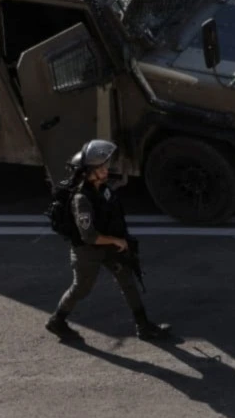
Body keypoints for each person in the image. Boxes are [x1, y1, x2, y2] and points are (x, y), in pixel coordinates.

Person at [45, 139, 171, 341]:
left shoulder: (102, 188)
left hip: (110, 246)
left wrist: (120, 239)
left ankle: (144, 326)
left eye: (105, 166)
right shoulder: (81, 199)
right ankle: (57, 321)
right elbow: (89, 236)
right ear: (88, 172)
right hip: (87, 251)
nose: (105, 170)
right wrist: (117, 240)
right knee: (81, 289)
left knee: (127, 281)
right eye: (100, 168)